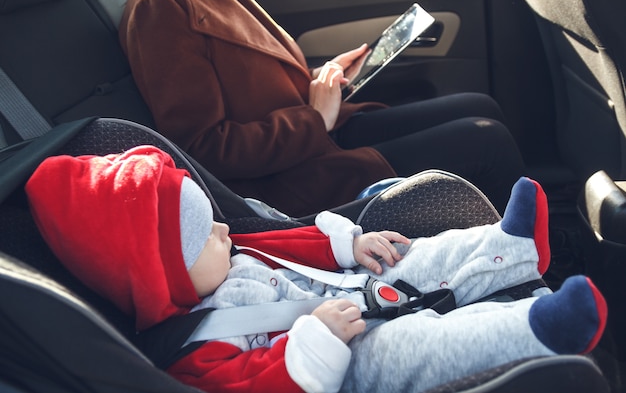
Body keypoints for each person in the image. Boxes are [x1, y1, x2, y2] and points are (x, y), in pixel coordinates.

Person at [25, 145, 606, 393]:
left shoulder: (225, 260)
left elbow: (289, 242)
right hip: (345, 361)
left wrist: (351, 245)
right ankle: (537, 328)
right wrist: (312, 344)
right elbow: (249, 386)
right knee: (418, 344)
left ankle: (510, 249)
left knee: (416, 256)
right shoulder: (194, 350)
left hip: (355, 289)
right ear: (160, 272)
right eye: (206, 235)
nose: (226, 231)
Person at [118, 0, 527, 217]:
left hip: (311, 138)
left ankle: (498, 232)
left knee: (480, 107)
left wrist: (322, 79)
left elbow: (248, 83)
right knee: (486, 138)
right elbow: (204, 150)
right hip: (285, 178)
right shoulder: (160, 7)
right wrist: (315, 119)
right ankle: (531, 261)